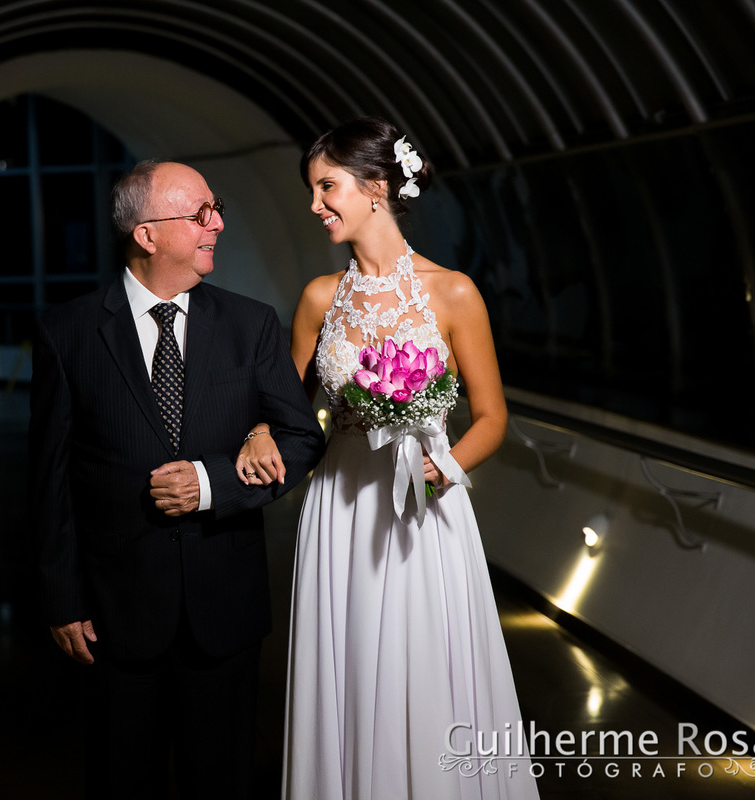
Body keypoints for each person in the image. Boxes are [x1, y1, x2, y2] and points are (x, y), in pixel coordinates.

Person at [237, 118, 541, 799]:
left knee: (426, 662)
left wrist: (446, 466)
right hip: (342, 507)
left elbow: (493, 419)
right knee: (348, 664)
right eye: (312, 190)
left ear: (375, 186)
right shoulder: (320, 299)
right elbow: (285, 411)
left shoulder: (454, 293)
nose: (315, 205)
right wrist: (260, 431)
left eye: (326, 187)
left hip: (424, 513)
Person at [29, 160, 326, 800]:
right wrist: (61, 599)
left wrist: (212, 483)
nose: (218, 224)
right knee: (120, 779)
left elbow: (303, 437)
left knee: (217, 781)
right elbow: (49, 478)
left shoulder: (252, 326)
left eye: (215, 209)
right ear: (147, 235)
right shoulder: (67, 332)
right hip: (113, 614)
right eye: (200, 215)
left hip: (224, 611)